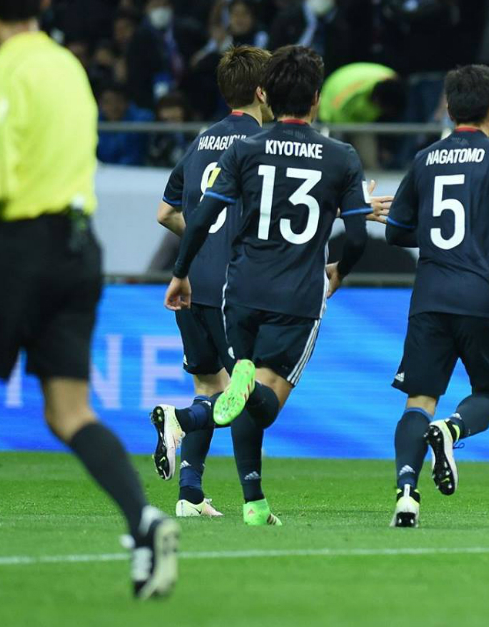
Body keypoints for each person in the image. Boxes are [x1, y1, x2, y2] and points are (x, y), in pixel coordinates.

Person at [0, 0, 177, 599]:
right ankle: (145, 521)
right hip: (77, 248)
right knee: (70, 412)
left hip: (17, 249)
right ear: (42, 3)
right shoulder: (70, 68)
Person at [162, 46, 379, 526]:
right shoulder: (340, 156)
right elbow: (359, 239)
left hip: (237, 293)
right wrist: (339, 270)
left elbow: (197, 219)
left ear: (268, 94)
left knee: (234, 385)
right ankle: (198, 426)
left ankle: (251, 501)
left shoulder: (241, 149)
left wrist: (181, 272)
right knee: (265, 400)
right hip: (295, 296)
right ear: (317, 99)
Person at [383, 64, 489, 528]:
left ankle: (406, 495)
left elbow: (395, 232)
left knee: (418, 398)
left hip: (429, 296)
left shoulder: (425, 159)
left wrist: (430, 234)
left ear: (449, 110)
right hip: (481, 295)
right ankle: (451, 431)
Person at [151, 46, 272, 518]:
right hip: (232, 287)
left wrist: (199, 245)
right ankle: (182, 427)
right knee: (249, 391)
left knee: (209, 383)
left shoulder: (201, 142)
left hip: (191, 281)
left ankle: (190, 493)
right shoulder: (261, 143)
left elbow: (165, 213)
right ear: (263, 92)